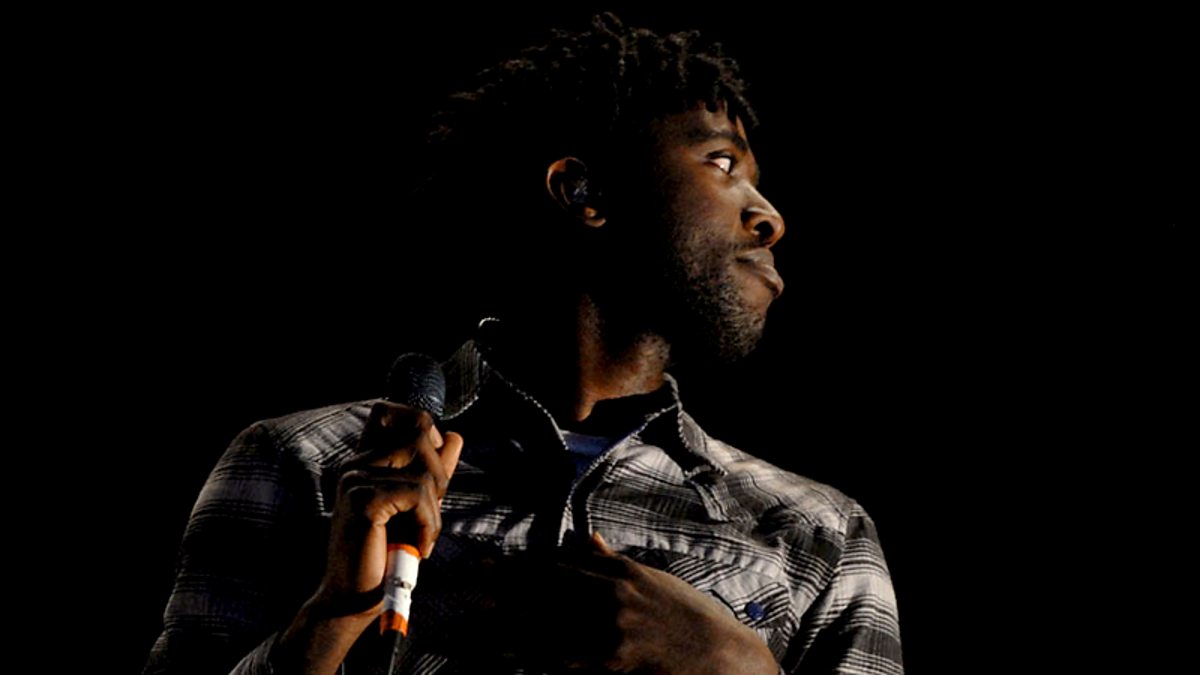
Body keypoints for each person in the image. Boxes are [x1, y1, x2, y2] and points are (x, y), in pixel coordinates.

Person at [145, 13, 903, 675]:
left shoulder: (816, 529)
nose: (769, 216)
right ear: (582, 191)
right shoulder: (305, 462)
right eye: (722, 163)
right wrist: (336, 612)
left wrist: (740, 666)